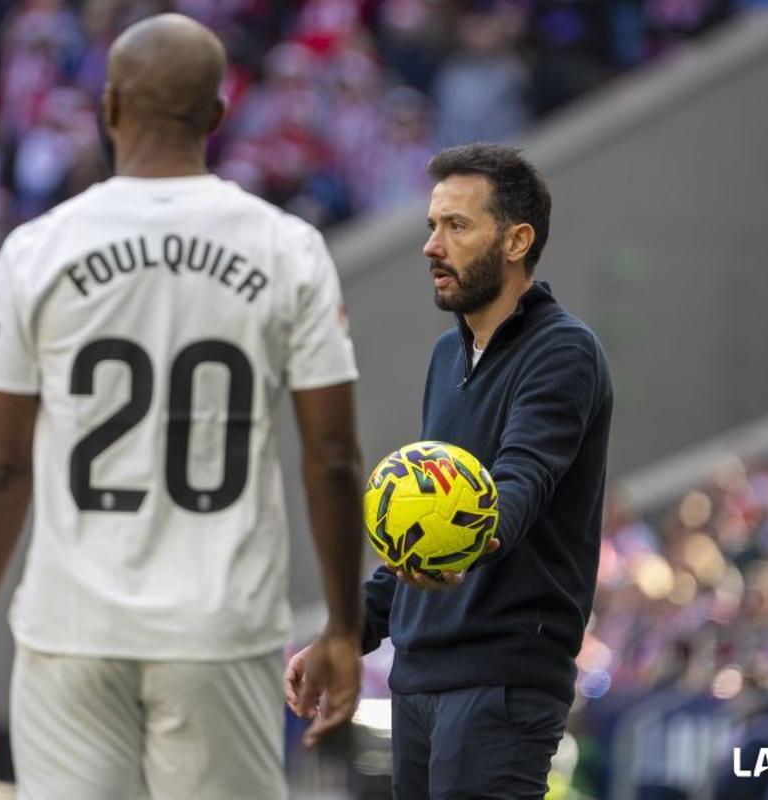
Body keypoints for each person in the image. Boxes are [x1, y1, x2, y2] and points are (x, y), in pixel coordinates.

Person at [0, 14, 365, 799]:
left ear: (110, 107)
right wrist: (342, 626)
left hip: (72, 628)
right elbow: (331, 457)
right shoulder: (288, 247)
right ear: (219, 116)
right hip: (219, 626)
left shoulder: (38, 248)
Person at [286, 143, 613, 799]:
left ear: (517, 240)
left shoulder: (563, 351)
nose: (432, 246)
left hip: (503, 682)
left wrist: (480, 536)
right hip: (420, 677)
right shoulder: (448, 354)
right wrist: (348, 633)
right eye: (432, 226)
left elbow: (521, 480)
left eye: (456, 226)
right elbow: (424, 523)